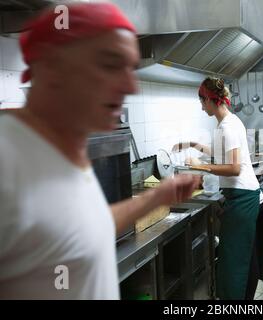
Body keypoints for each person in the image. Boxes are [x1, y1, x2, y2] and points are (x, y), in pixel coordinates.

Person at [0, 2, 200, 299]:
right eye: (109, 64)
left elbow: (89, 226)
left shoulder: (70, 149)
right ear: (52, 67)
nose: (130, 86)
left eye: (130, 68)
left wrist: (156, 197)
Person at [173, 77, 262, 300]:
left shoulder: (227, 127)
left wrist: (200, 166)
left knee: (232, 261)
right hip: (245, 196)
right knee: (244, 259)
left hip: (242, 200)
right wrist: (193, 144)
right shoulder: (228, 122)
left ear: (210, 100)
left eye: (202, 101)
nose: (202, 106)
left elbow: (233, 168)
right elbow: (221, 152)